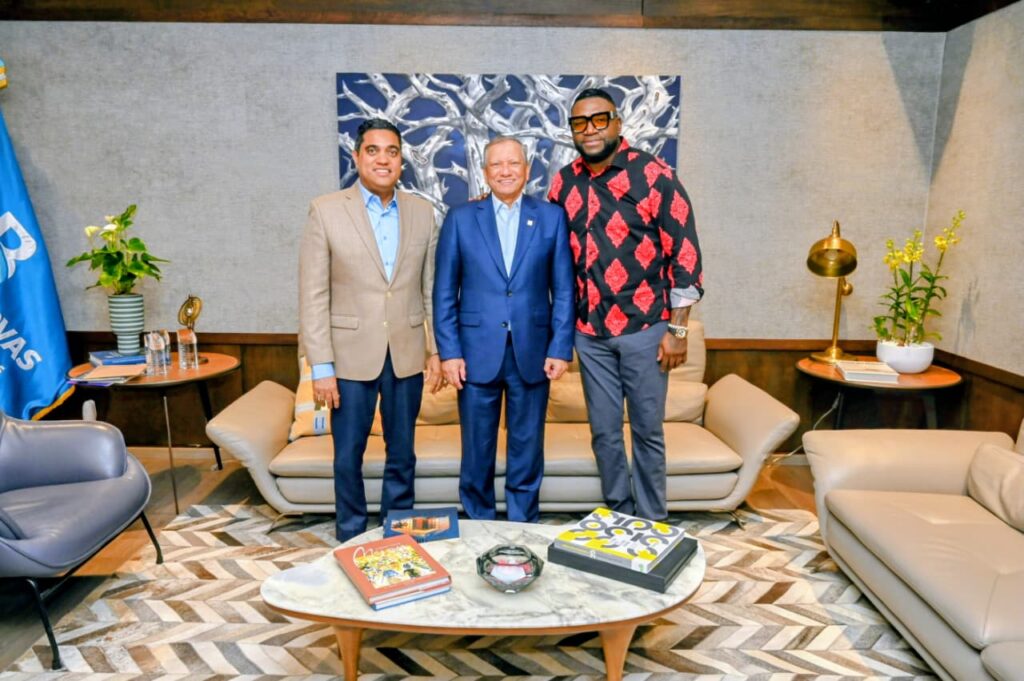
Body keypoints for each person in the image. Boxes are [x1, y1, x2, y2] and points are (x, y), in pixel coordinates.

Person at [547, 88, 704, 521]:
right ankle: (619, 514)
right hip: (590, 334)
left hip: (646, 329)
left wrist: (678, 330)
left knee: (648, 432)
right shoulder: (564, 182)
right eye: (580, 122)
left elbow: (686, 255)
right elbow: (550, 245)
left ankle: (652, 520)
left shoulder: (655, 175)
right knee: (604, 433)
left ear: (617, 123)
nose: (590, 129)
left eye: (599, 119)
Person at [299, 118, 442, 542]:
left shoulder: (421, 212)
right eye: (373, 150)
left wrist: (435, 351)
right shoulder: (326, 210)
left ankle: (397, 537)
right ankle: (351, 537)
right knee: (348, 456)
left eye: (392, 152)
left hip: (406, 353)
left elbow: (430, 289)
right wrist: (321, 367)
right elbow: (313, 294)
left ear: (401, 161)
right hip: (347, 357)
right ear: (357, 156)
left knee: (402, 455)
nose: (383, 159)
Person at [433, 136, 575, 522]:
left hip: (533, 350)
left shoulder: (551, 217)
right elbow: (444, 292)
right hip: (474, 352)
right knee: (476, 449)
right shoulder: (461, 219)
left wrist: (560, 347)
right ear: (485, 173)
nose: (506, 171)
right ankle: (479, 524)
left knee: (527, 447)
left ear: (527, 171)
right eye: (496, 164)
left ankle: (522, 524)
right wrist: (449, 352)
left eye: (514, 163)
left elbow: (564, 289)